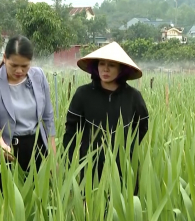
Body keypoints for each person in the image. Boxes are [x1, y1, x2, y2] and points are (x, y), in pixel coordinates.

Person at [62, 42, 149, 194]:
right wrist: (70, 163)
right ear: (96, 66)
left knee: (124, 210)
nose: (105, 69)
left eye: (112, 65)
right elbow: (71, 131)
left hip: (124, 165)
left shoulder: (133, 97)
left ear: (121, 69)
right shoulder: (83, 94)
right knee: (93, 211)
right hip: (91, 166)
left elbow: (141, 128)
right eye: (102, 64)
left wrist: (126, 148)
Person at [0, 35, 56, 189]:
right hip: (5, 152)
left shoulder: (38, 76)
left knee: (38, 203)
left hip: (36, 150)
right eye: (13, 65)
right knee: (5, 205)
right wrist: (0, 144)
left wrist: (52, 156)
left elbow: (48, 117)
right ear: (4, 58)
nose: (19, 70)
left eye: (25, 66)